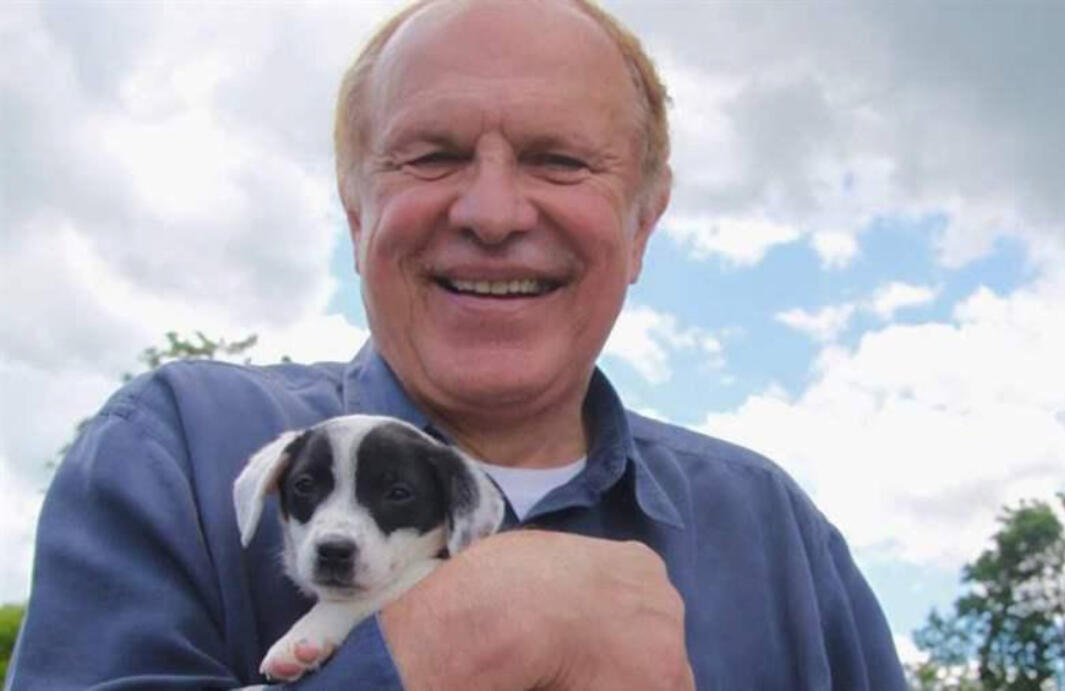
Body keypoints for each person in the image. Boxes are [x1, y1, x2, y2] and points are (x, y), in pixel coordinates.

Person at [8, 0, 907, 688]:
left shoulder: (779, 538)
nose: (491, 213)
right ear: (357, 208)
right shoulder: (175, 451)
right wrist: (448, 638)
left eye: (559, 159)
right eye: (432, 155)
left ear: (643, 222)